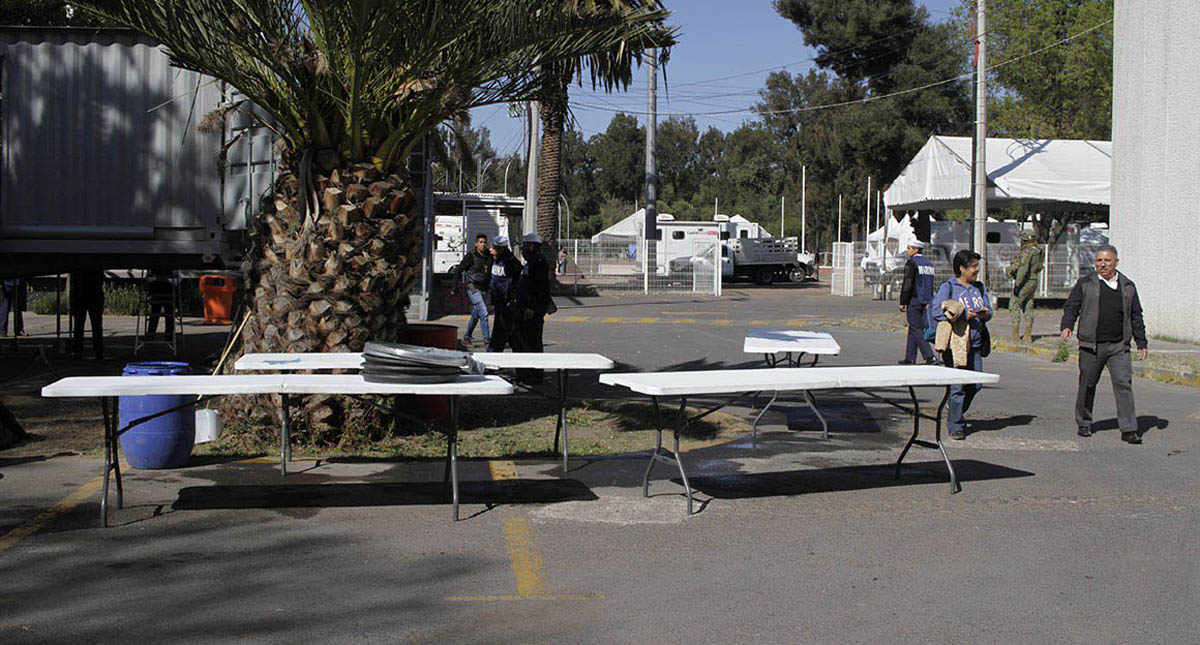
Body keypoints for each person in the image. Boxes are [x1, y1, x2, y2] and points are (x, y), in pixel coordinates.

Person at [1060, 244, 1148, 444]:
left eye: (1107, 260)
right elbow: (1072, 307)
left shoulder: (1127, 286)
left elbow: (1136, 315)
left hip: (1119, 346)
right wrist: (1067, 326)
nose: (1102, 264)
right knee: (1087, 384)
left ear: (1116, 262)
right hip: (1092, 346)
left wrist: (1141, 342)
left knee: (1123, 385)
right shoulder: (1086, 283)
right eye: (1099, 260)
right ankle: (1084, 422)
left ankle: (1129, 429)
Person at [931, 249, 992, 440]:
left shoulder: (978, 288)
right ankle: (955, 425)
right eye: (973, 267)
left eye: (977, 267)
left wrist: (984, 313)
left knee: (976, 385)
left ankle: (955, 410)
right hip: (955, 344)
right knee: (957, 387)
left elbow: (989, 312)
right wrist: (964, 315)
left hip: (975, 343)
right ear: (962, 268)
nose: (976, 271)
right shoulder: (948, 287)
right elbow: (936, 311)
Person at [512, 233, 552, 383]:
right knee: (523, 340)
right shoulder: (532, 262)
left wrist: (532, 308)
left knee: (530, 342)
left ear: (531, 246)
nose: (523, 250)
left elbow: (539, 289)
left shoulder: (538, 263)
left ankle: (532, 375)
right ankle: (526, 373)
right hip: (525, 308)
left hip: (531, 310)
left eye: (524, 247)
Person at [897, 239, 937, 365]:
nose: (907, 250)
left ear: (915, 249)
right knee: (914, 327)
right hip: (926, 300)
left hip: (914, 299)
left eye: (909, 248)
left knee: (916, 328)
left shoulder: (912, 263)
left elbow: (908, 283)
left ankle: (929, 356)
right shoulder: (928, 264)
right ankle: (910, 357)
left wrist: (903, 301)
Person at [449, 233, 492, 347]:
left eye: (484, 242)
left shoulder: (489, 255)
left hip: (484, 288)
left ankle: (467, 337)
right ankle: (487, 339)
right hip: (472, 287)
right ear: (476, 244)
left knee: (476, 314)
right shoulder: (471, 256)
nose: (483, 245)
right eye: (480, 242)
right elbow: (458, 270)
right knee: (484, 312)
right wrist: (454, 287)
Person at [1005, 229, 1044, 343]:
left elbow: (1023, 268)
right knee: (1028, 305)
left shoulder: (1027, 252)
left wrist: (1017, 284)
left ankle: (1015, 333)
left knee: (1014, 304)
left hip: (1025, 281)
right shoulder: (1039, 251)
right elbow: (1039, 267)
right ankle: (1028, 333)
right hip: (1034, 280)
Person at [486, 236, 522, 353]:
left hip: (508, 303)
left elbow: (518, 281)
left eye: (494, 248)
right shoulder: (494, 261)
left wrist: (512, 298)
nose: (491, 249)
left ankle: (493, 358)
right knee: (505, 333)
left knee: (504, 333)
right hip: (499, 302)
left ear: (501, 249)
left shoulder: (511, 262)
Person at [69, 270, 105, 360]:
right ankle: (98, 351)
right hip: (94, 294)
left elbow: (73, 283)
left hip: (81, 295)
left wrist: (72, 301)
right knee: (96, 325)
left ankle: (78, 350)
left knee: (79, 325)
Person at [145, 270, 177, 340]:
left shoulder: (173, 269)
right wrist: (157, 279)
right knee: (155, 314)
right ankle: (151, 334)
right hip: (157, 293)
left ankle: (169, 334)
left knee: (169, 314)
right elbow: (147, 279)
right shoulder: (153, 268)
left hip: (168, 294)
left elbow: (178, 280)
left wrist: (167, 280)